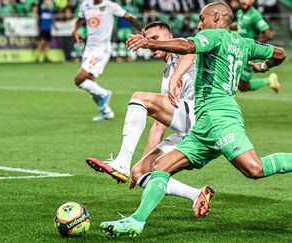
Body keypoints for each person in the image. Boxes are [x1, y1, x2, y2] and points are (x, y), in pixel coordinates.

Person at [100, 2, 292, 237]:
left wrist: (149, 43)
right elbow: (279, 53)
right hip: (204, 123)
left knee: (255, 169)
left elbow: (188, 46)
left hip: (221, 116)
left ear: (216, 17)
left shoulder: (212, 35)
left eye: (202, 19)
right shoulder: (244, 43)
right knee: (161, 167)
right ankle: (136, 221)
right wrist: (263, 67)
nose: (199, 24)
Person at [86, 21, 214, 218]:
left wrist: (175, 78)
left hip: (204, 117)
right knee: (139, 173)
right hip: (189, 129)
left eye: (155, 38)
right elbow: (158, 126)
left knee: (139, 97)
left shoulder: (182, 46)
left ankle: (121, 161)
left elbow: (192, 50)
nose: (150, 43)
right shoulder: (166, 73)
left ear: (169, 38)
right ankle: (197, 195)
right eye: (148, 39)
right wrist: (144, 160)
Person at [72, 0, 142, 121]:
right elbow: (80, 19)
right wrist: (75, 31)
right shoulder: (85, 4)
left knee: (79, 80)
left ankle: (105, 94)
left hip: (101, 49)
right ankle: (106, 112)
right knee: (91, 84)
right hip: (89, 48)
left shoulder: (110, 6)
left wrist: (142, 31)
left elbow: (129, 17)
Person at [234, 0, 280, 93]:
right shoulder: (240, 12)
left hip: (249, 54)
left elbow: (269, 34)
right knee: (241, 86)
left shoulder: (255, 15)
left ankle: (269, 80)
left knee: (242, 86)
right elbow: (241, 26)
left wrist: (254, 45)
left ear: (252, 1)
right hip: (239, 51)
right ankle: (270, 80)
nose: (244, 1)